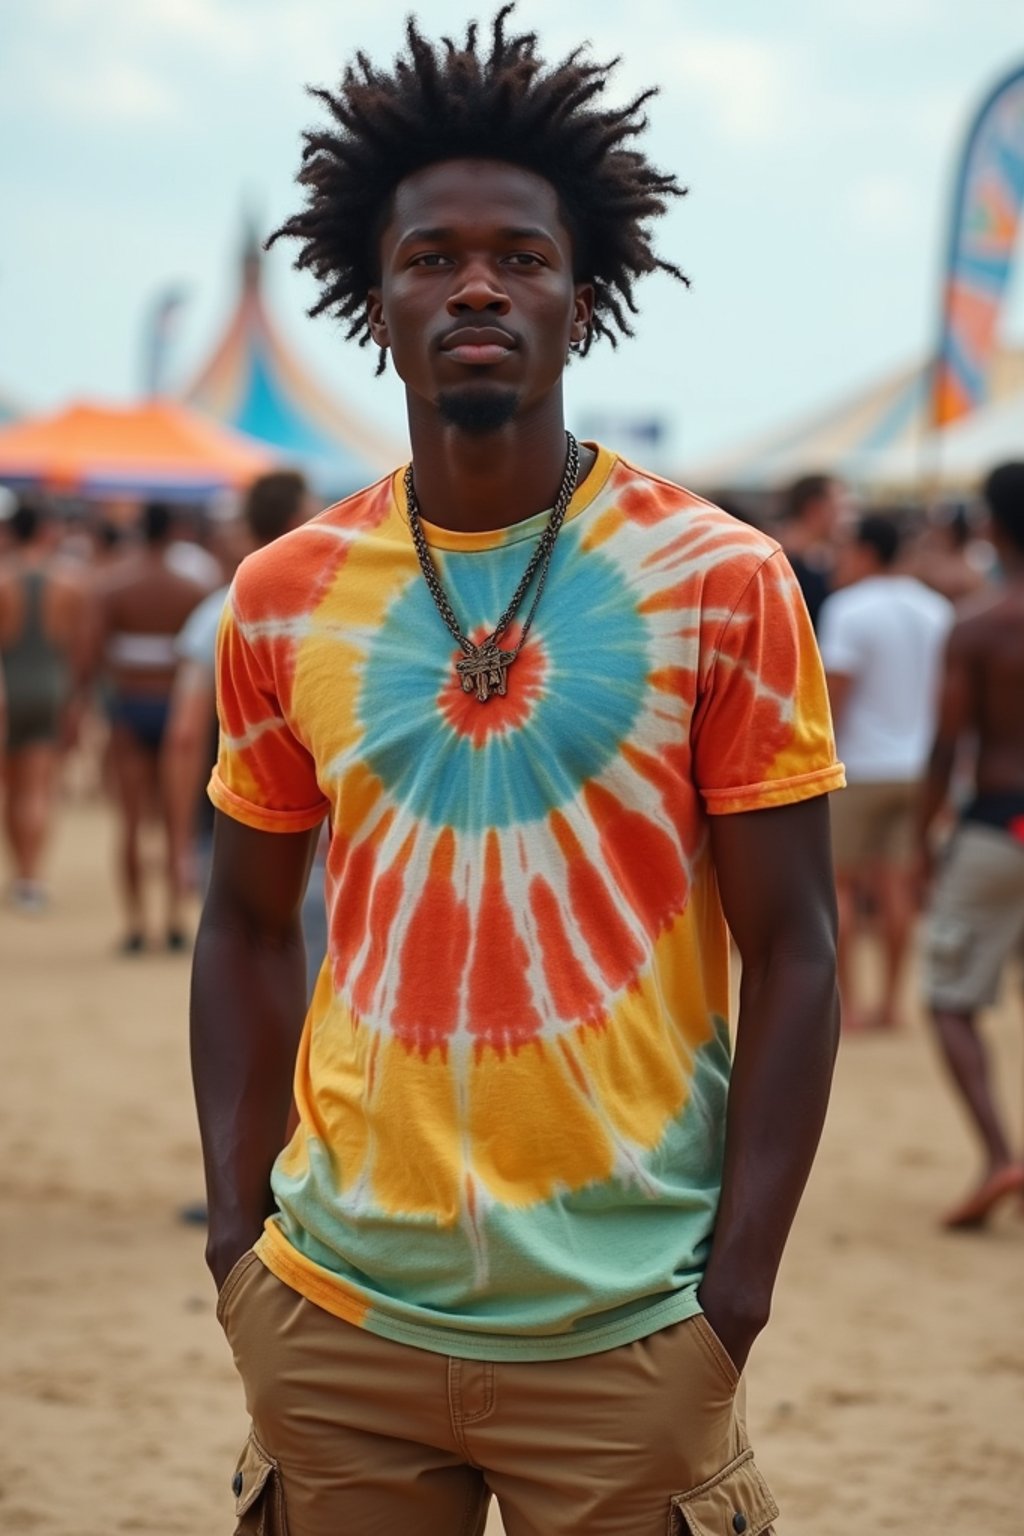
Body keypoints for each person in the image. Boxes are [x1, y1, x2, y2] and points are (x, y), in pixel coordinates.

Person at [191, 14, 844, 1534]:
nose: (477, 282)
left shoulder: (721, 580)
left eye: (521, 256)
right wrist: (238, 1241)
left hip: (629, 1330)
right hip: (334, 1312)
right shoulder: (285, 593)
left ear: (582, 294)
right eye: (431, 256)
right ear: (375, 295)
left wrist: (733, 1297)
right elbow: (238, 923)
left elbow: (796, 945)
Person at [164, 469, 326, 992]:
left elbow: (185, 735)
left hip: (231, 825)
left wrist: (178, 840)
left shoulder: (216, 610)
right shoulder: (317, 610)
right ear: (295, 519)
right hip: (311, 838)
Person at [916, 462, 1024, 1229]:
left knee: (951, 998)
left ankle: (999, 1155)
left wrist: (926, 836)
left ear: (991, 527)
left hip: (1002, 822)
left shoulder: (984, 626)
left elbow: (947, 745)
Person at [818, 514, 952, 1031]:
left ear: (868, 553)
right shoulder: (935, 609)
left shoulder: (849, 610)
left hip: (860, 765)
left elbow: (836, 695)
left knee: (840, 886)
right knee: (899, 886)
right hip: (917, 765)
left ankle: (849, 1005)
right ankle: (892, 1004)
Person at [89, 501, 211, 951]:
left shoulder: (113, 586)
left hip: (129, 704)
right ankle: (175, 918)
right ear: (175, 530)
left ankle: (137, 922)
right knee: (178, 819)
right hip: (176, 704)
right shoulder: (192, 586)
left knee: (131, 820)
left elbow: (92, 652)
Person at [0, 498, 90, 910]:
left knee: (11, 789)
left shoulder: (3, 579)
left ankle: (19, 872)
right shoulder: (69, 583)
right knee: (38, 789)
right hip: (50, 688)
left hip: (8, 688)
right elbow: (75, 653)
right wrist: (75, 704)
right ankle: (33, 879)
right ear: (43, 531)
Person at [775, 472, 849, 630]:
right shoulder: (776, 559)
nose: (845, 518)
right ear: (815, 508)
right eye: (840, 507)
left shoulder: (823, 560)